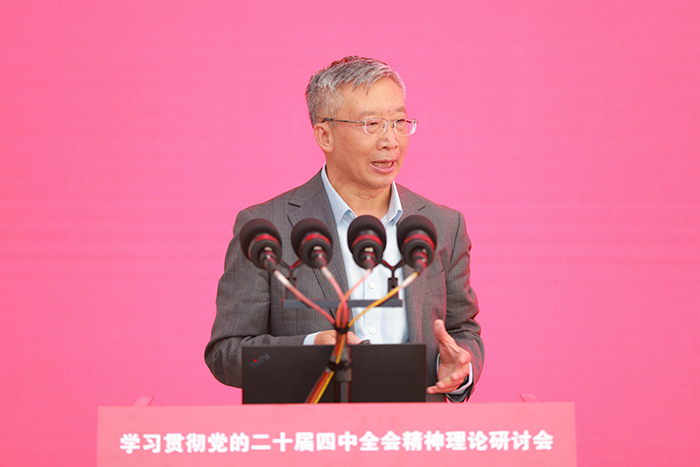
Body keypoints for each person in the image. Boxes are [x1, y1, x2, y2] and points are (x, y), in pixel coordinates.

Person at [205, 56, 483, 402]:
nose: (390, 140)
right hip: (311, 433)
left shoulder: (442, 225)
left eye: (399, 122)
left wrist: (458, 370)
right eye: (371, 124)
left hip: (413, 431)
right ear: (325, 135)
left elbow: (461, 330)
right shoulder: (267, 228)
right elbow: (226, 354)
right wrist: (309, 349)